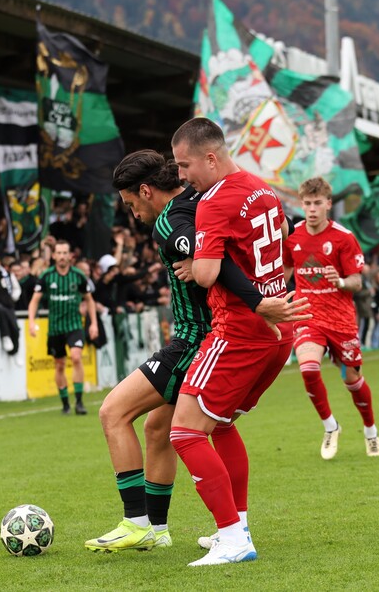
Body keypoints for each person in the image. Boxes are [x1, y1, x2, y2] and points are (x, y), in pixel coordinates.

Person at [85, 149, 309, 554]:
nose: (132, 213)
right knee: (161, 428)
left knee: (113, 412)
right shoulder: (206, 196)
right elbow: (278, 227)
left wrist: (225, 278)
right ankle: (160, 529)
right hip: (225, 333)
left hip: (198, 338)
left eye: (131, 203)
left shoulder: (170, 220)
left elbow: (208, 256)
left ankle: (136, 522)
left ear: (146, 191)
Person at [169, 118, 307, 567]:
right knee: (222, 425)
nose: (182, 176)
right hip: (276, 332)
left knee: (185, 431)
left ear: (210, 158)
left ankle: (233, 538)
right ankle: (237, 526)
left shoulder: (213, 202)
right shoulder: (262, 189)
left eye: (185, 165)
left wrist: (195, 261)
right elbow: (280, 245)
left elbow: (207, 273)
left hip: (238, 332)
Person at [282, 176, 379, 460]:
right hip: (308, 315)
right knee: (308, 369)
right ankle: (330, 426)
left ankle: (370, 431)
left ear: (328, 204)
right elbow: (285, 273)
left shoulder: (344, 238)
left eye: (317, 203)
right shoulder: (293, 237)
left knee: (352, 380)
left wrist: (339, 281)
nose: (312, 209)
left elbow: (357, 282)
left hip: (341, 320)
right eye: (307, 203)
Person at [28, 240, 98, 415]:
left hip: (74, 325)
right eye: (58, 253)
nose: (62, 256)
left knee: (76, 357)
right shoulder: (46, 276)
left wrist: (94, 324)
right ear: (53, 256)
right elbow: (34, 301)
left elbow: (89, 300)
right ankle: (65, 403)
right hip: (55, 328)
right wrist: (31, 321)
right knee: (59, 365)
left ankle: (79, 402)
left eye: (65, 253)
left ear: (70, 256)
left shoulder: (78, 276)